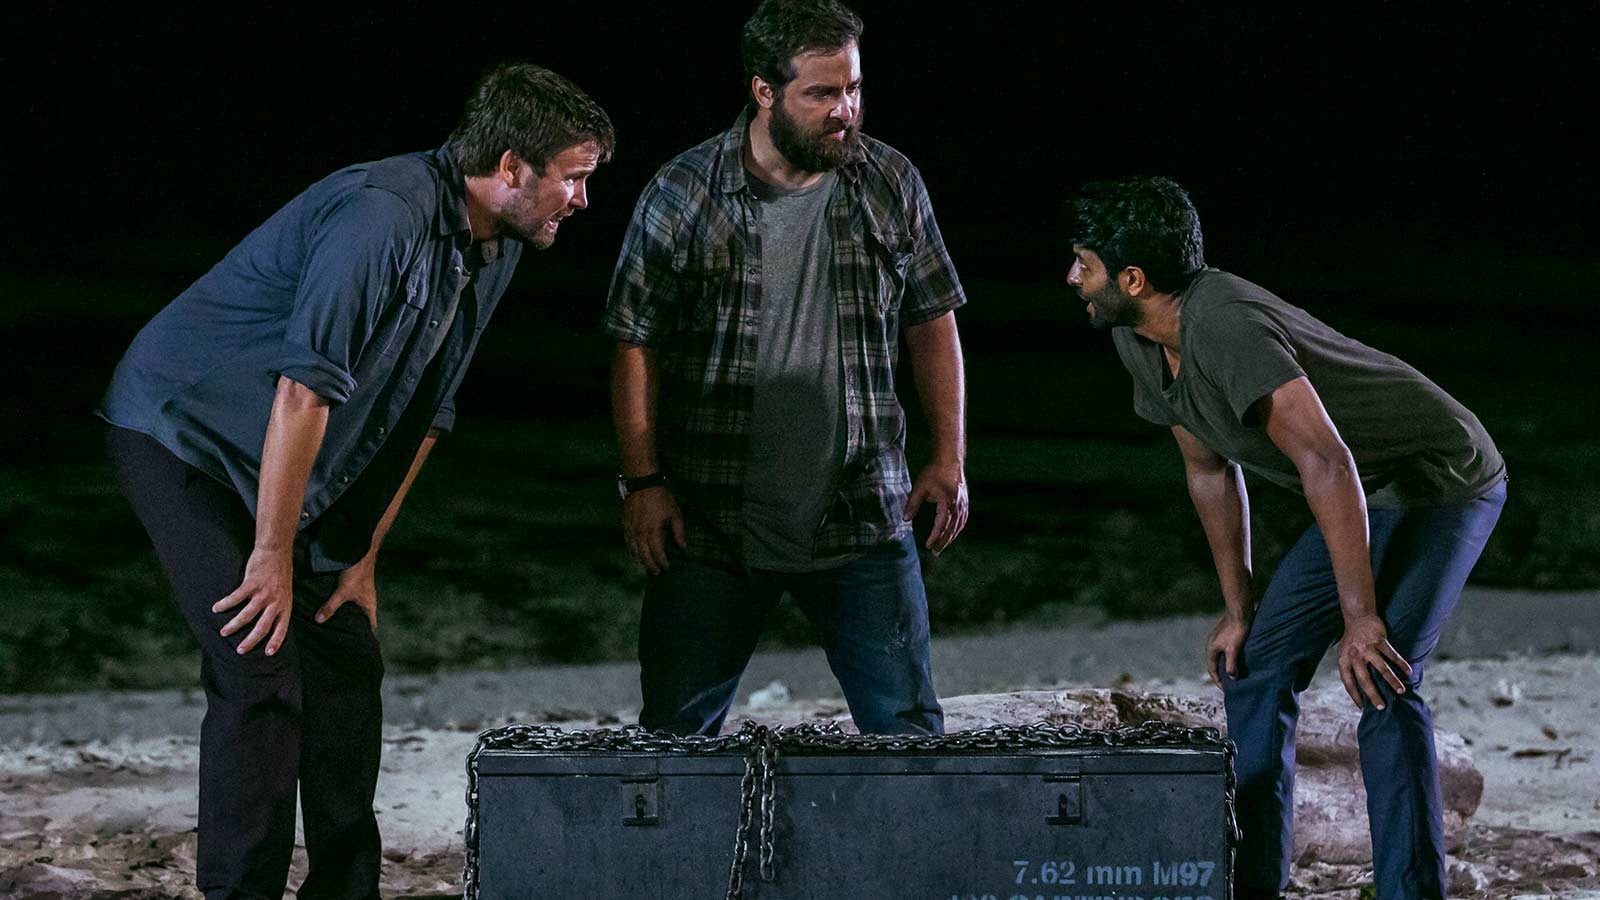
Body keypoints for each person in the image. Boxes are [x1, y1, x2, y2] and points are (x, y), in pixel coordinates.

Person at [98, 63, 613, 900]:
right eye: (574, 178)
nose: (582, 201)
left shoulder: (499, 243)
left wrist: (361, 554)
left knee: (344, 660)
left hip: (286, 459)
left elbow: (426, 413)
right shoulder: (383, 216)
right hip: (186, 433)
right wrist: (271, 552)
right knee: (260, 667)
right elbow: (304, 390)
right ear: (512, 167)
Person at [1067, 176, 1506, 900]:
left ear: (1133, 279)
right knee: (1257, 666)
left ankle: (1410, 890)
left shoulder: (1226, 328)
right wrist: (1238, 608)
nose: (1072, 278)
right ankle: (1251, 884)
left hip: (1440, 477)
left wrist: (1360, 618)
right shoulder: (1138, 337)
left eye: (1084, 265)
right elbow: (1209, 470)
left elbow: (1326, 462)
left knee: (1381, 675)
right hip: (1363, 489)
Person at [603, 0, 969, 737]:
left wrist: (948, 457)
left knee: (907, 735)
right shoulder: (685, 191)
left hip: (863, 511)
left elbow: (932, 319)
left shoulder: (888, 180)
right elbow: (634, 341)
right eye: (822, 93)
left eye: (854, 88)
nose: (846, 111)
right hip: (711, 519)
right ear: (764, 91)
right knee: (676, 738)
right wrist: (642, 482)